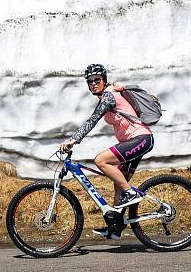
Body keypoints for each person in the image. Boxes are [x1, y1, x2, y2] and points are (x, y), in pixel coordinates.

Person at [59, 63, 154, 239]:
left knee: (101, 161)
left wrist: (73, 140)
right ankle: (115, 228)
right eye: (90, 81)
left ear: (104, 80)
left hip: (140, 139)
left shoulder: (109, 96)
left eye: (97, 80)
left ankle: (131, 193)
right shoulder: (106, 96)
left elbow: (92, 120)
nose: (93, 84)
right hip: (136, 141)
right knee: (118, 182)